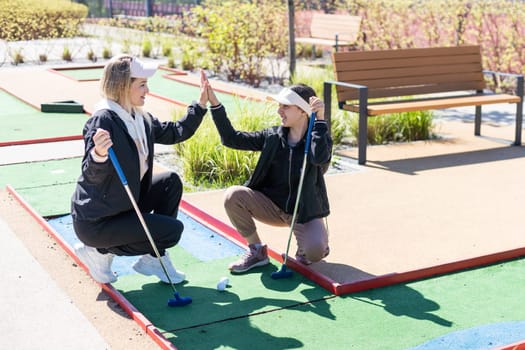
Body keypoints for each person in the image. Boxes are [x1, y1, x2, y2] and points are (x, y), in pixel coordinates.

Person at [71, 55, 209, 284]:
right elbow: (90, 175)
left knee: (170, 182)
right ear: (124, 86)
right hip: (98, 221)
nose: (148, 90)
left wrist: (200, 105)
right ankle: (99, 251)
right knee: (172, 231)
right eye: (142, 84)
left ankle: (153, 258)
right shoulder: (103, 120)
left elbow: (176, 132)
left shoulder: (139, 118)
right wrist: (99, 155)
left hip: (124, 204)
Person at [204, 77, 332, 273]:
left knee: (315, 252)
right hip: (271, 206)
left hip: (303, 212)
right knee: (233, 195)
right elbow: (231, 139)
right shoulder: (272, 137)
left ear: (302, 111)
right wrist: (215, 104)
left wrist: (320, 120)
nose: (279, 110)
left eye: (286, 106)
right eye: (280, 105)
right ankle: (257, 251)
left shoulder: (318, 137)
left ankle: (310, 246)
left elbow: (319, 159)